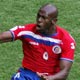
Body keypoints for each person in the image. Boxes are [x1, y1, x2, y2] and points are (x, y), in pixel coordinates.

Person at [0, 3, 76, 80]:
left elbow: (65, 72)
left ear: (54, 21)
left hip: (51, 77)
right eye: (38, 16)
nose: (39, 20)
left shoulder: (66, 40)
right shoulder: (27, 31)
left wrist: (49, 78)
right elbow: (2, 37)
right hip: (27, 75)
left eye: (43, 18)